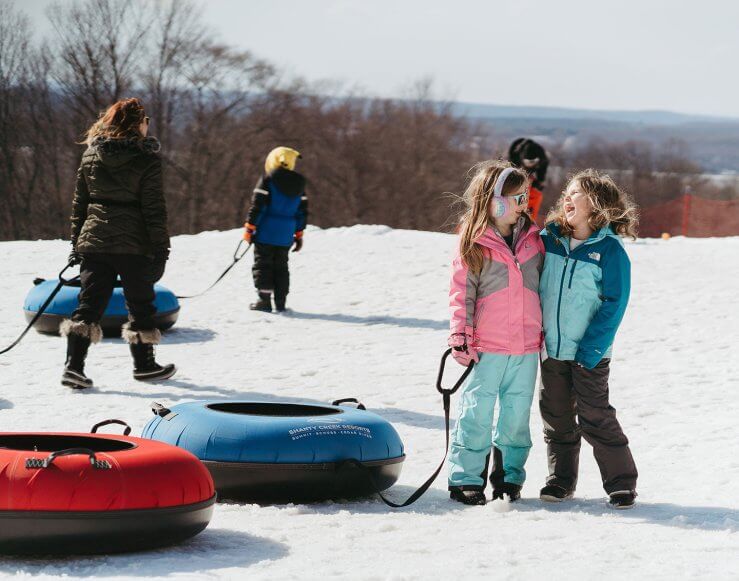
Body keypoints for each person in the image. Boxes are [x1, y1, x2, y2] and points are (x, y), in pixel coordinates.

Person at [538, 169, 639, 509]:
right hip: (551, 348)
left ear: (596, 205)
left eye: (575, 192)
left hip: (590, 353)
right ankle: (560, 480)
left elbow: (615, 304)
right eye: (566, 191)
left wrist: (592, 348)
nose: (567, 197)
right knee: (556, 417)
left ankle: (621, 483)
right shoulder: (549, 238)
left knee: (596, 416)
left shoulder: (609, 250)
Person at [447, 160, 545, 505]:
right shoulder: (475, 243)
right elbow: (462, 294)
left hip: (526, 347)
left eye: (525, 198)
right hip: (487, 347)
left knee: (516, 417)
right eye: (516, 198)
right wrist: (461, 334)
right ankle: (465, 478)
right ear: (492, 200)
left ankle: (509, 479)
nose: (522, 205)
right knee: (476, 412)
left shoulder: (535, 239)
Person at [62, 98, 175, 389]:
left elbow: (80, 205)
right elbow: (154, 209)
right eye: (145, 120)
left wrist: (77, 244)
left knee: (88, 305)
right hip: (134, 244)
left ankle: (73, 367)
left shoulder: (90, 156)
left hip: (95, 241)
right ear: (137, 123)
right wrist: (161, 249)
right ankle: (145, 366)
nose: (148, 124)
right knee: (140, 305)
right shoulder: (146, 159)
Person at [243, 147, 308, 313]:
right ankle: (281, 302)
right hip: (286, 234)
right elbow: (302, 212)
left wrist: (249, 228)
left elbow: (258, 206)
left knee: (263, 264)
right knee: (281, 266)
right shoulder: (300, 184)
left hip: (266, 232)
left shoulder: (267, 179)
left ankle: (264, 301)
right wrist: (299, 235)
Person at [508, 138, 549, 225]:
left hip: (532, 178)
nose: (531, 164)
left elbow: (542, 178)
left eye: (533, 162)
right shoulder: (515, 155)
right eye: (529, 162)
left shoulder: (542, 159)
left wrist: (538, 183)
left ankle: (529, 221)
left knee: (535, 194)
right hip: (517, 171)